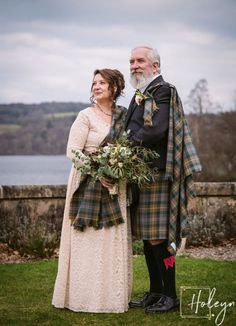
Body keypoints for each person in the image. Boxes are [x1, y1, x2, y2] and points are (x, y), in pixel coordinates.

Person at [125, 46, 201, 313]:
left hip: (158, 173)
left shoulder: (163, 90)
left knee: (160, 237)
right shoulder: (140, 95)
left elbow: (156, 130)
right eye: (131, 61)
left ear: (155, 66)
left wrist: (125, 146)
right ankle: (156, 291)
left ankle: (170, 295)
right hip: (142, 174)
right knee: (148, 237)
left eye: (140, 60)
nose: (134, 65)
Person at [52, 68, 133, 313]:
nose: (96, 86)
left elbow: (131, 148)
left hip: (115, 184)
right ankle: (82, 296)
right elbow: (73, 151)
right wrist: (98, 173)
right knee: (86, 239)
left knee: (111, 240)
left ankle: (111, 296)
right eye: (94, 83)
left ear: (115, 88)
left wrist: (117, 170)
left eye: (102, 83)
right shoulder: (85, 115)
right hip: (87, 182)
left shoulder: (124, 115)